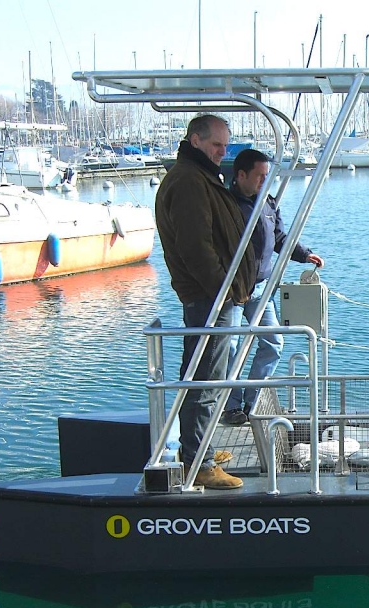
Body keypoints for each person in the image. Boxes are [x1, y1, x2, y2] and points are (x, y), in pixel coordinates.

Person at [154, 114, 256, 489]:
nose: (223, 152)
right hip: (209, 301)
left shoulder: (199, 177)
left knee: (209, 379)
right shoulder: (188, 182)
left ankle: (202, 448)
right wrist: (224, 293)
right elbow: (195, 247)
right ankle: (200, 462)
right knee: (204, 382)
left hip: (214, 298)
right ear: (195, 141)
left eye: (226, 145)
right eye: (217, 145)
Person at [221, 148, 324, 425]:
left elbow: (279, 237)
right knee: (229, 347)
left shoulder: (267, 203)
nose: (264, 182)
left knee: (274, 343)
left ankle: (252, 402)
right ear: (240, 175)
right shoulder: (225, 204)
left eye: (268, 177)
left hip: (260, 289)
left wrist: (303, 254)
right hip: (230, 290)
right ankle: (231, 406)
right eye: (259, 176)